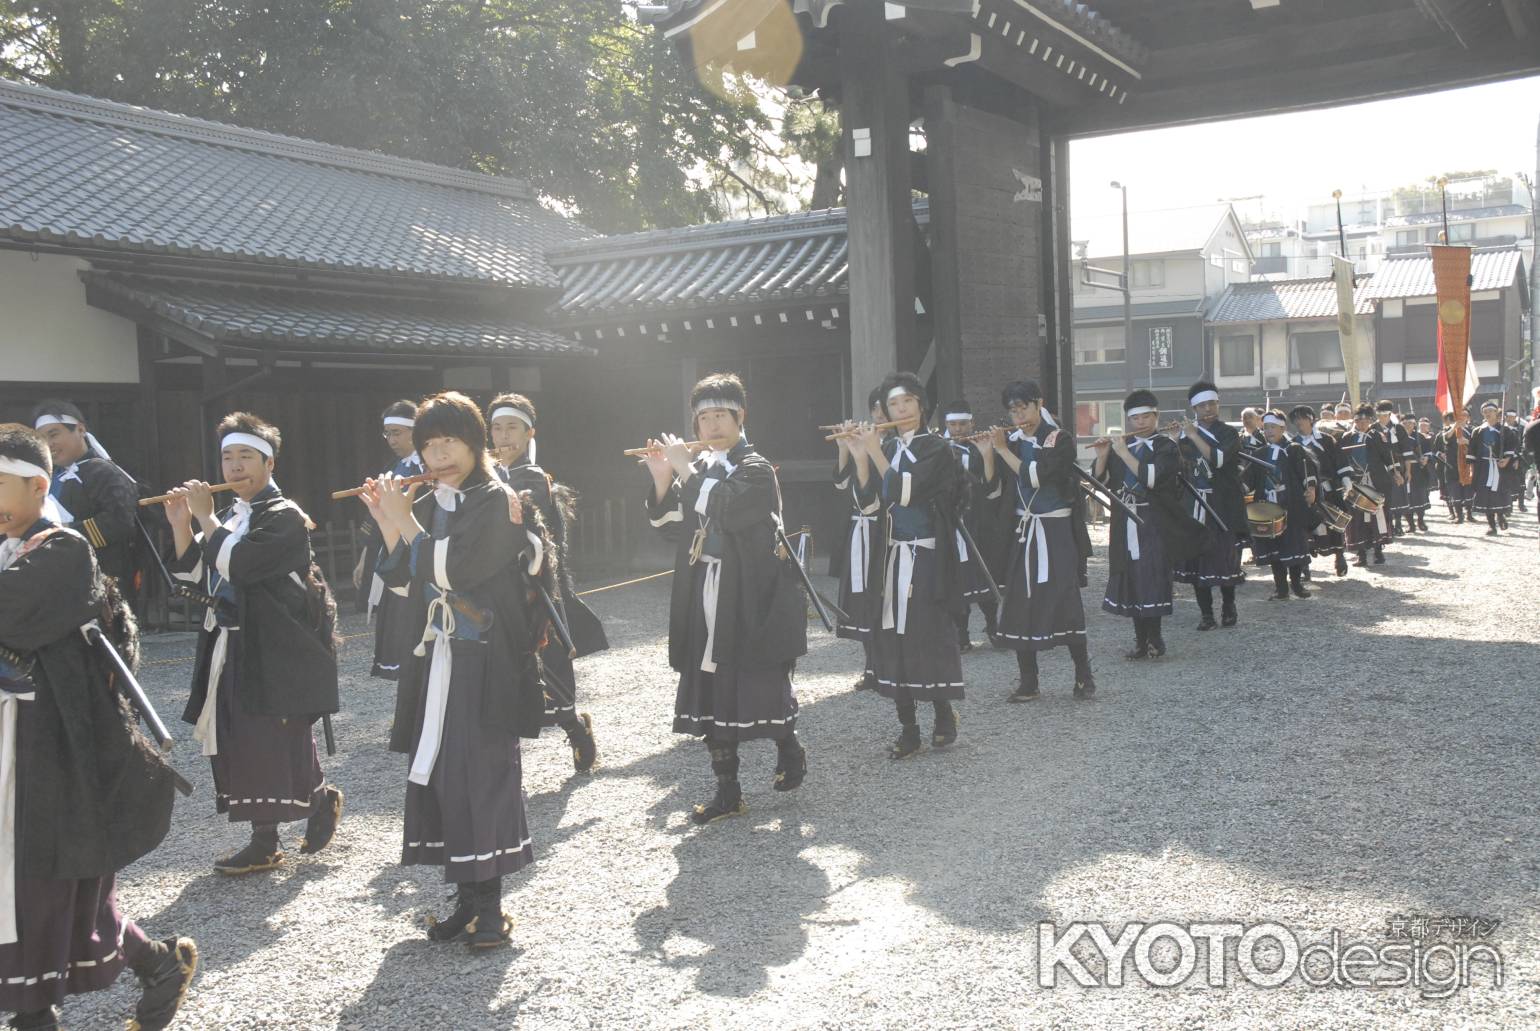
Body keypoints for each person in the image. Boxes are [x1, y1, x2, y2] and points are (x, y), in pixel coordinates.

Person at [0, 424, 197, 1031]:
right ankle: (156, 962)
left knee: (43, 884)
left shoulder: (63, 550)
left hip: (47, 746)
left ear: (38, 487)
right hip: (12, 744)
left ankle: (37, 1012)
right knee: (45, 884)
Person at [362, 391, 549, 948]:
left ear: (475, 444)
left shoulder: (498, 498)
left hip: (485, 658)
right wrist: (387, 520)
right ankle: (467, 902)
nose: (437, 456)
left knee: (482, 769)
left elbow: (456, 571)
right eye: (428, 447)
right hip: (439, 658)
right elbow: (402, 583)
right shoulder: (435, 500)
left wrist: (405, 523)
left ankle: (491, 907)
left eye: (449, 443)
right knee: (444, 772)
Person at [165, 413, 343, 875]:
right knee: (238, 738)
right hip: (231, 642)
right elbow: (196, 576)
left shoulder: (283, 517)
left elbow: (240, 565)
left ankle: (273, 834)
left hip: (274, 647)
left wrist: (205, 516)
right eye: (227, 457)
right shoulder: (229, 514)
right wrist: (182, 523)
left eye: (246, 456)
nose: (235, 466)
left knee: (271, 735)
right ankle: (294, 816)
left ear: (269, 462)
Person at [641, 373, 807, 821]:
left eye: (720, 416)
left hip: (747, 593)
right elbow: (674, 528)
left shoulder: (755, 467)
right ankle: (727, 792)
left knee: (756, 679)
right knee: (709, 685)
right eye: (703, 418)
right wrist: (662, 479)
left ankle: (788, 746)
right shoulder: (705, 469)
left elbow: (728, 509)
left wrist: (685, 470)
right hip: (704, 590)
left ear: (740, 417)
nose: (711, 427)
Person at [848, 372, 967, 758]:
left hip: (927, 554)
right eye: (893, 405)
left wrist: (877, 451)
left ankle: (944, 713)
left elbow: (906, 491)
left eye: (907, 403)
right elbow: (868, 504)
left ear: (921, 405)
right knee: (893, 639)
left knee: (927, 634)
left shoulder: (936, 449)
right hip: (891, 554)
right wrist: (859, 455)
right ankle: (908, 727)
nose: (899, 410)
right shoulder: (888, 447)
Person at [487, 393, 600, 774]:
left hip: (535, 591)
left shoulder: (531, 476)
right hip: (496, 592)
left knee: (549, 669)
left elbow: (519, 523)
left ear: (529, 432)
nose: (504, 436)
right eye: (497, 427)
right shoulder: (486, 474)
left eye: (512, 428)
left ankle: (575, 728)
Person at [978, 381, 1094, 701]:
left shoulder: (1059, 438)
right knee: (1018, 602)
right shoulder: (1012, 441)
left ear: (1038, 404)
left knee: (1065, 599)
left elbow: (1037, 476)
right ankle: (1029, 680)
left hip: (1054, 531)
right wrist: (987, 452)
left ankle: (1083, 674)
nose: (1018, 416)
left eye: (1023, 408)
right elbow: (993, 489)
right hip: (1022, 531)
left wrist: (1001, 449)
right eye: (1013, 411)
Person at [1093, 390, 1201, 660]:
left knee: (1151, 576)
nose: (1140, 423)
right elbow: (1099, 481)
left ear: (1156, 417)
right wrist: (1104, 454)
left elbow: (1151, 478)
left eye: (1146, 417)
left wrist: (1122, 452)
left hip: (1154, 521)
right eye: (1135, 418)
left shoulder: (1165, 446)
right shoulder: (1121, 447)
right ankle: (1140, 641)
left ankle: (1155, 638)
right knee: (1130, 576)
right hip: (1124, 520)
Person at [29, 402, 141, 601]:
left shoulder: (103, 471)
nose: (49, 444)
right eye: (43, 438)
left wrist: (61, 534)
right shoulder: (49, 478)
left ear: (80, 429)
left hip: (101, 577)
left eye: (53, 434)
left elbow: (120, 522)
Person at [1171, 381, 1247, 629]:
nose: (1208, 409)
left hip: (1221, 502)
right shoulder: (1183, 435)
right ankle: (1206, 614)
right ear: (1194, 408)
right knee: (1197, 558)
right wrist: (1174, 441)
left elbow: (1219, 459)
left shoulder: (1228, 433)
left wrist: (1193, 434)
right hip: (1193, 503)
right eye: (1202, 405)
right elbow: (1176, 469)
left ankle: (1228, 605)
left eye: (1212, 403)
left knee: (1224, 555)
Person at [358, 400, 425, 678]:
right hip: (390, 550)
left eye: (397, 432)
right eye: (388, 434)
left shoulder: (425, 468)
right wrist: (365, 557)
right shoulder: (394, 466)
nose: (391, 440)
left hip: (415, 553)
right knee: (396, 626)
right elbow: (376, 517)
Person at [831, 388, 886, 690]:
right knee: (860, 596)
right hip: (859, 528)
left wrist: (868, 451)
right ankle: (870, 666)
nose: (879, 415)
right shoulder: (863, 439)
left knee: (879, 596)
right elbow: (840, 485)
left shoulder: (891, 444)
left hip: (882, 529)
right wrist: (844, 447)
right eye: (875, 408)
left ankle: (884, 665)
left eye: (884, 409)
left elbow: (878, 491)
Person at [939, 400, 998, 651]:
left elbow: (991, 486)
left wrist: (986, 454)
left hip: (978, 520)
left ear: (972, 423)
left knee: (984, 572)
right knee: (956, 578)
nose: (958, 429)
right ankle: (961, 634)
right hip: (950, 522)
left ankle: (994, 626)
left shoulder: (979, 447)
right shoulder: (937, 450)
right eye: (953, 424)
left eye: (963, 423)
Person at [1246, 411, 1317, 600]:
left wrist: (1311, 488)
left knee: (1293, 545)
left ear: (1282, 428)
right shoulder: (1260, 453)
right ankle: (1281, 588)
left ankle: (1296, 584)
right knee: (1273, 548)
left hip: (1291, 505)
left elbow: (1307, 470)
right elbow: (1248, 479)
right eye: (1266, 427)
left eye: (1272, 427)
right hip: (1267, 505)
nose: (1268, 431)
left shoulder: (1294, 449)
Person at [1292, 405, 1348, 577]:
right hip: (1304, 492)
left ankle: (1340, 556)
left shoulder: (1326, 440)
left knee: (1334, 523)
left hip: (1327, 489)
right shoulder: (1293, 444)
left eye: (1302, 418)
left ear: (1311, 419)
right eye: (1296, 419)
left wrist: (1346, 479)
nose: (1299, 422)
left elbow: (1339, 460)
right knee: (1304, 527)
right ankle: (1304, 564)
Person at [1338, 404, 1395, 566]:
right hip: (1355, 483)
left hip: (1375, 480)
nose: (1362, 424)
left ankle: (1378, 551)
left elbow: (1387, 456)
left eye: (1365, 421)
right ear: (1354, 421)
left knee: (1377, 515)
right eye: (1358, 420)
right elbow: (1342, 459)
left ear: (1370, 420)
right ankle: (1361, 553)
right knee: (1357, 519)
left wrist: (1395, 472)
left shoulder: (1377, 436)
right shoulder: (1347, 437)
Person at [1467, 401, 1514, 535]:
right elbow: (1472, 451)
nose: (1488, 414)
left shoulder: (1505, 430)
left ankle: (1501, 516)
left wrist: (1507, 459)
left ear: (1495, 412)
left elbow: (1512, 446)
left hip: (1500, 467)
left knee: (1499, 493)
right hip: (1483, 467)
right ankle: (1491, 526)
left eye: (1490, 411)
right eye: (1485, 412)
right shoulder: (1478, 431)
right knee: (1486, 495)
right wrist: (1471, 470)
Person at [1373, 401, 1415, 535]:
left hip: (1398, 466)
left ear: (1390, 414)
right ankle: (1386, 526)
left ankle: (1398, 524)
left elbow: (1407, 451)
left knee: (1397, 496)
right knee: (1384, 498)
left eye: (1384, 415)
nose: (1381, 418)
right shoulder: (1373, 428)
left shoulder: (1398, 429)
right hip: (1380, 468)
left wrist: (1408, 471)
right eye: (1379, 414)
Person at [1438, 410, 1473, 522]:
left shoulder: (1469, 431)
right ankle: (1459, 515)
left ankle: (1469, 514)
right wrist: (1454, 427)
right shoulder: (1448, 430)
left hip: (1466, 465)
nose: (1463, 418)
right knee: (1455, 490)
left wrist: (1466, 441)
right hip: (1452, 465)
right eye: (1460, 416)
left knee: (1468, 491)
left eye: (1465, 416)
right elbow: (1445, 438)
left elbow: (1474, 445)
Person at [1407, 416, 1434, 532]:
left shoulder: (1420, 437)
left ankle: (1420, 521)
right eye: (1406, 423)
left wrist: (1426, 458)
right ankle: (1410, 524)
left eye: (1411, 423)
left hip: (1418, 469)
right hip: (1406, 470)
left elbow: (1429, 452)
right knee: (1407, 498)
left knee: (1420, 496)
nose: (1408, 425)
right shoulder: (1400, 437)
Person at [1501, 410, 1526, 514]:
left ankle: (1521, 504)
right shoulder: (1502, 429)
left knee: (1520, 484)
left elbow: (1522, 445)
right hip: (1506, 459)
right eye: (1508, 417)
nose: (1510, 419)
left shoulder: (1520, 429)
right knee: (1507, 484)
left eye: (1512, 417)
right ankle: (1508, 506)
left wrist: (1518, 459)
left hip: (1518, 459)